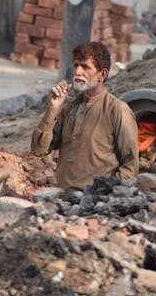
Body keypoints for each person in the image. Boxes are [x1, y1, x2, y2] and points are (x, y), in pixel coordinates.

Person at [31, 41, 139, 195]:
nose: (78, 72)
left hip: (95, 203)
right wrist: (53, 109)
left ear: (102, 75)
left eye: (85, 67)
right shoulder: (69, 108)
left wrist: (105, 197)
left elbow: (130, 167)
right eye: (76, 65)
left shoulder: (118, 111)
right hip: (65, 201)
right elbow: (39, 150)